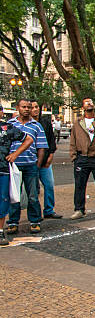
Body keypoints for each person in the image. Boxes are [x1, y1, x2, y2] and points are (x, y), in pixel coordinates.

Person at [6, 99, 48, 234]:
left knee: (33, 195)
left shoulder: (36, 125)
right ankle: (13, 222)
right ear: (17, 108)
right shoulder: (10, 124)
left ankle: (34, 221)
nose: (26, 109)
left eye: (29, 107)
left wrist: (38, 164)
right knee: (14, 195)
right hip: (14, 165)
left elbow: (41, 147)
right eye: (23, 107)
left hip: (31, 165)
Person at [69, 98, 95, 220]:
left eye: (92, 102)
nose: (90, 104)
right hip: (81, 158)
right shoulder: (78, 122)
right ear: (83, 107)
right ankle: (79, 209)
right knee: (79, 185)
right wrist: (73, 156)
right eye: (87, 102)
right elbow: (73, 140)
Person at [0, 105, 34, 244]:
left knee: (3, 200)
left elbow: (28, 139)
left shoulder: (7, 128)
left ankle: (0, 231)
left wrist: (15, 154)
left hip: (2, 169)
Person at [30, 101, 62, 219]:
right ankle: (35, 213)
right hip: (31, 161)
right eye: (32, 107)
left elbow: (51, 140)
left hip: (45, 161)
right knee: (33, 189)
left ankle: (49, 209)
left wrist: (50, 157)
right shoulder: (26, 124)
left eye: (36, 107)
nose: (34, 109)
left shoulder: (45, 122)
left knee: (49, 185)